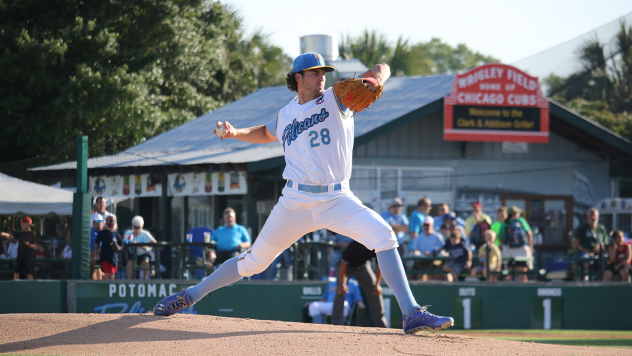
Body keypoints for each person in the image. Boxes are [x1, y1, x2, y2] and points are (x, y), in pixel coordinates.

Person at [153, 52, 453, 333]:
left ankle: (411, 313)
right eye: (314, 72)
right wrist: (234, 133)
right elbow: (264, 133)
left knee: (385, 236)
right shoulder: (286, 114)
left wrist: (375, 80)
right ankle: (189, 296)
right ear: (298, 77)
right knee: (254, 263)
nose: (321, 76)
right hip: (294, 202)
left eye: (324, 71)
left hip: (336, 199)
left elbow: (382, 69)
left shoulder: (338, 98)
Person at [333, 241, 388, 327]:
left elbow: (379, 265)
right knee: (341, 290)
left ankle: (382, 325)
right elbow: (343, 264)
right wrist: (342, 284)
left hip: (363, 267)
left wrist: (377, 284)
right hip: (347, 268)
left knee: (375, 291)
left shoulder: (376, 246)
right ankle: (335, 324)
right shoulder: (354, 245)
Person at [497, 206, 533, 282]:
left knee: (509, 274)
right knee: (522, 273)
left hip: (509, 251)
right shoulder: (521, 221)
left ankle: (509, 291)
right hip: (522, 250)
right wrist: (530, 247)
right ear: (514, 214)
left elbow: (501, 239)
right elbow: (530, 234)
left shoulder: (504, 224)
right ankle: (524, 290)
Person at [410, 216, 445, 281]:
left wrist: (433, 254)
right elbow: (414, 249)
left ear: (432, 225)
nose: (426, 227)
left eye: (428, 225)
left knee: (441, 271)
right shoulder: (419, 237)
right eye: (425, 225)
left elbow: (442, 249)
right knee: (411, 273)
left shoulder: (438, 237)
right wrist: (422, 254)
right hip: (421, 262)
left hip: (434, 262)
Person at [126, 215, 157, 280]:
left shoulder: (145, 233)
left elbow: (154, 242)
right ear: (132, 226)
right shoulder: (128, 233)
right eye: (135, 227)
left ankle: (144, 278)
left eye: (138, 227)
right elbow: (125, 242)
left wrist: (146, 246)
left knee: (146, 262)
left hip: (143, 253)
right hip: (132, 253)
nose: (136, 229)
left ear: (142, 227)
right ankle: (129, 280)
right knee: (129, 262)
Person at [96, 215, 123, 280]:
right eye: (109, 220)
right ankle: (105, 288)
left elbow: (121, 245)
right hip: (104, 256)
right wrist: (96, 254)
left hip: (113, 258)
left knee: (112, 275)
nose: (110, 222)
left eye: (112, 221)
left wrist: (118, 248)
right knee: (106, 274)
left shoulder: (117, 234)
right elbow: (96, 244)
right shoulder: (102, 233)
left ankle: (111, 288)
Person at [90, 213, 104, 280]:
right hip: (90, 255)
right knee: (91, 261)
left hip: (102, 256)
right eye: (97, 221)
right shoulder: (89, 233)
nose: (99, 223)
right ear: (93, 223)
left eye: (101, 221)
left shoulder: (106, 233)